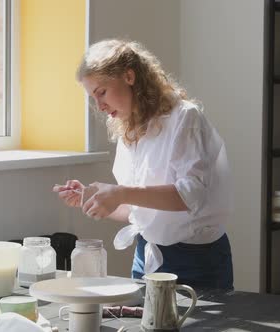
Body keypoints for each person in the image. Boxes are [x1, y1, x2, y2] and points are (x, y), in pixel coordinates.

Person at [53, 39, 233, 290]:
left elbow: (192, 196)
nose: (99, 106)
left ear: (129, 76)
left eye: (101, 92)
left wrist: (120, 193)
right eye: (93, 98)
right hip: (146, 257)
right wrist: (92, 197)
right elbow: (136, 209)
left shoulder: (185, 118)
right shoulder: (130, 130)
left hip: (197, 261)